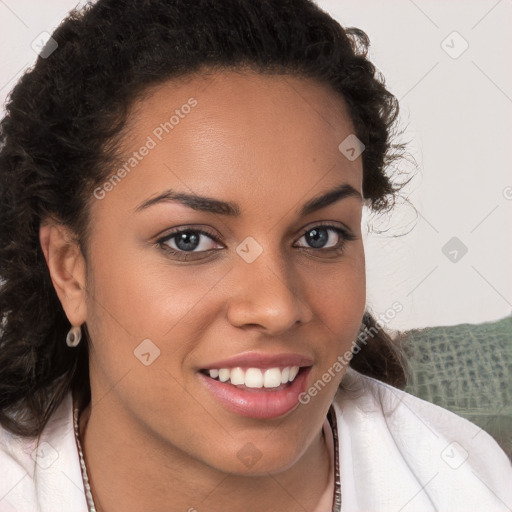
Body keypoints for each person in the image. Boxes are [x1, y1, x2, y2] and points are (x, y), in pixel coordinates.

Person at [0, 1, 510, 511]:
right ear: (70, 270)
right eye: (190, 240)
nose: (276, 306)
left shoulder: (466, 485)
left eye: (319, 236)